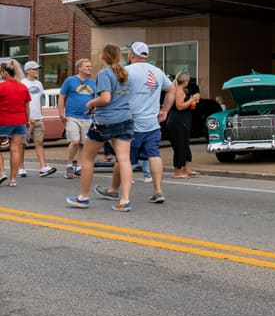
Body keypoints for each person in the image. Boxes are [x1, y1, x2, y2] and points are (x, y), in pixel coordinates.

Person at [95, 41, 174, 205]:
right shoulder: (157, 71)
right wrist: (164, 110)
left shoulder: (126, 71)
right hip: (151, 123)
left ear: (131, 55)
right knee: (154, 155)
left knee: (122, 159)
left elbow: (111, 96)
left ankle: (114, 190)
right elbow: (171, 90)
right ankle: (158, 190)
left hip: (130, 122)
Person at [66, 44, 134, 211]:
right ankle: (125, 200)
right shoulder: (124, 73)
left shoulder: (104, 73)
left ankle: (83, 197)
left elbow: (105, 98)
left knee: (87, 158)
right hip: (125, 119)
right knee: (124, 159)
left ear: (103, 56)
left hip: (105, 121)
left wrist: (90, 103)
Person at [58, 58, 96, 178]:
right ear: (79, 68)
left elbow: (95, 99)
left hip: (87, 117)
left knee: (83, 144)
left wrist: (94, 109)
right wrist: (61, 113)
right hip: (72, 116)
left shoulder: (93, 83)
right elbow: (62, 97)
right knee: (74, 141)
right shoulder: (70, 81)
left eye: (90, 66)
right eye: (87, 66)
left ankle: (79, 167)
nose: (90, 68)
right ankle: (69, 166)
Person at [18, 61, 56, 177]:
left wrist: (40, 114)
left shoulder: (39, 84)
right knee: (21, 144)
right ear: (27, 71)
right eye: (34, 69)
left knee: (39, 142)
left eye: (37, 69)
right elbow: (20, 103)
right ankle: (21, 168)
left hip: (38, 119)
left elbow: (39, 100)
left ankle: (43, 167)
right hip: (25, 120)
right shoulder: (22, 84)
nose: (36, 71)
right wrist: (27, 117)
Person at [0, 59, 31, 187]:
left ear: (4, 73)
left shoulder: (1, 86)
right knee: (15, 149)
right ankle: (13, 179)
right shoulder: (23, 87)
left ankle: (2, 172)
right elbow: (27, 107)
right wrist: (27, 120)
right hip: (19, 121)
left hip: (3, 120)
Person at [165, 70, 201, 177]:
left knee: (185, 145)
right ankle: (177, 172)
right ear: (185, 81)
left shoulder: (181, 90)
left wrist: (192, 102)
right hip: (178, 122)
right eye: (188, 79)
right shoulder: (179, 91)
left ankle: (187, 168)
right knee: (180, 146)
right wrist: (192, 99)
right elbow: (179, 106)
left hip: (182, 121)